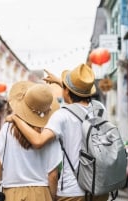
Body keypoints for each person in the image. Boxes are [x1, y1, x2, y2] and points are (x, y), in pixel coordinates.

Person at [8, 64, 109, 201]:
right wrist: (62, 83)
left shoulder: (62, 115)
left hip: (73, 192)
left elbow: (38, 141)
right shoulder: (99, 109)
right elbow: (78, 97)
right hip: (99, 188)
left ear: (66, 91)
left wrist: (16, 118)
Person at [0, 81, 62, 201]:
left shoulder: (7, 129)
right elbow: (53, 175)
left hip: (11, 193)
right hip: (41, 193)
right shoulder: (49, 133)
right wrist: (53, 198)